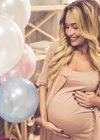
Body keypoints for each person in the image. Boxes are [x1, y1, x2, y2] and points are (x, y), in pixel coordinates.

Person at [37, 0, 100, 140]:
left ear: (88, 26)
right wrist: (44, 120)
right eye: (67, 27)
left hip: (86, 134)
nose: (69, 32)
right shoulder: (57, 49)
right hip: (53, 131)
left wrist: (96, 101)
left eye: (75, 27)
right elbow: (43, 84)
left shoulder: (98, 57)